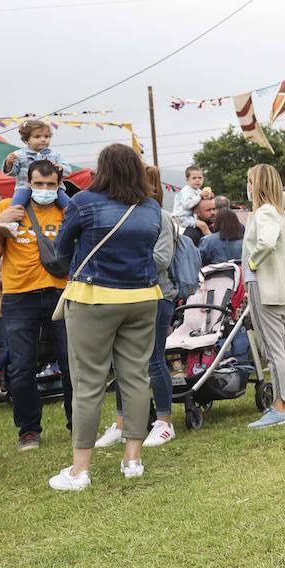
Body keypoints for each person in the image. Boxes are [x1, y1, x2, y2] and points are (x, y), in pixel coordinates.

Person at [47, 144, 167, 490]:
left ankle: (80, 470)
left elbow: (61, 251)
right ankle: (133, 459)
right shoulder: (151, 207)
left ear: (102, 169)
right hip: (144, 296)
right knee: (136, 377)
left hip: (94, 298)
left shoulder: (83, 202)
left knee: (88, 383)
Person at [0, 160, 73, 451]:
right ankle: (28, 431)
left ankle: (77, 424)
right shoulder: (6, 209)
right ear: (28, 182)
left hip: (60, 293)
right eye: (39, 184)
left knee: (70, 363)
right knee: (22, 367)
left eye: (51, 185)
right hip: (18, 296)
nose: (45, 190)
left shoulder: (66, 210)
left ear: (58, 184)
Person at [98, 164, 180, 451]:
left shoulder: (160, 217)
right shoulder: (123, 216)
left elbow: (162, 258)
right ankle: (122, 423)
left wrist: (124, 264)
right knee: (122, 361)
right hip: (126, 295)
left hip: (157, 296)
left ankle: (164, 421)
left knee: (154, 359)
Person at [243, 165, 285, 428]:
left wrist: (253, 262)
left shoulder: (264, 212)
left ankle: (280, 407)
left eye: (249, 181)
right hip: (282, 289)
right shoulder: (279, 212)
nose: (246, 186)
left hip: (265, 288)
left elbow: (266, 243)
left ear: (257, 185)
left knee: (274, 348)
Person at [2, 119, 70, 210]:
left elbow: (68, 170)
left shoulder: (55, 155)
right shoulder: (19, 155)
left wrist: (61, 168)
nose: (43, 140)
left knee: (68, 205)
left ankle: (73, 220)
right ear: (26, 140)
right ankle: (12, 222)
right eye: (37, 137)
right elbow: (13, 172)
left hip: (52, 188)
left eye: (46, 136)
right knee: (16, 205)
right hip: (25, 186)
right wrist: (9, 164)